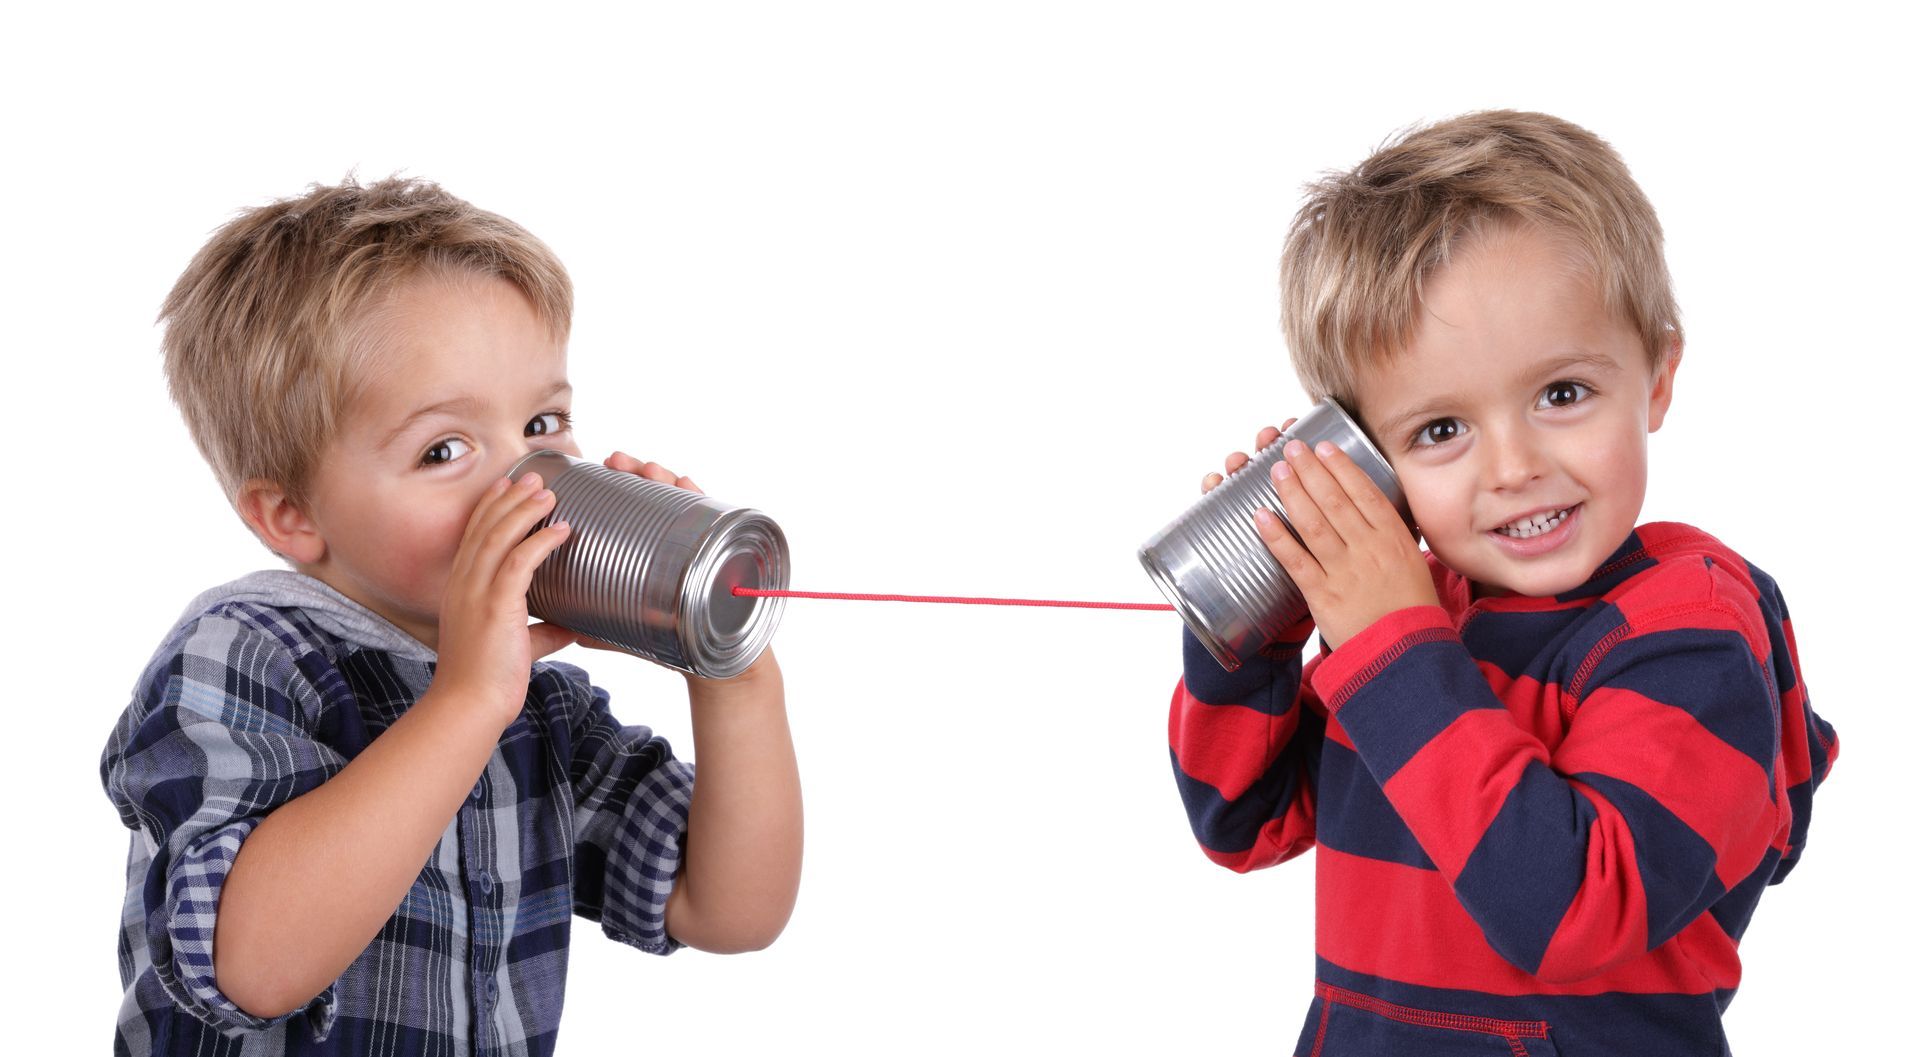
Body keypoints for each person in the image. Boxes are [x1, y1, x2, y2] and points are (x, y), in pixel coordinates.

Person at [1168, 111, 1837, 1055]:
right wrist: (1259, 616)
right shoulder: (1415, 616)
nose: (1514, 465)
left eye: (1562, 393)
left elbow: (1570, 908)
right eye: (1440, 430)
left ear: (1656, 374)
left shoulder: (1691, 633)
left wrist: (1391, 647)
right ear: (1375, 462)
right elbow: (1243, 821)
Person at [100, 177, 802, 1055]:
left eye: (544, 422)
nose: (526, 480)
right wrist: (467, 701)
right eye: (444, 448)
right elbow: (251, 964)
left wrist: (730, 670)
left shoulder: (537, 705)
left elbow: (727, 907)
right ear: (293, 516)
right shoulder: (246, 651)